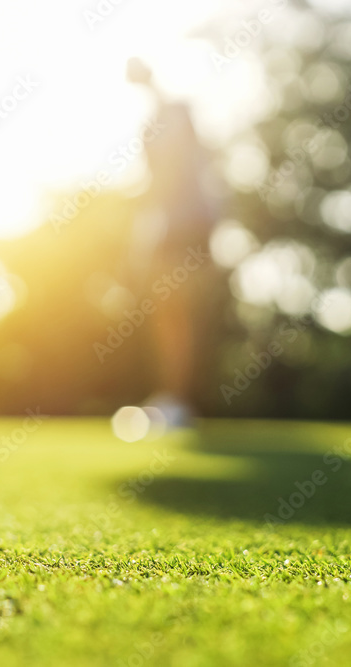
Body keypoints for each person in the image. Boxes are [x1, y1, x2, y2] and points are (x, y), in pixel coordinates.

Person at [125, 57, 225, 428]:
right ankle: (172, 399)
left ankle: (179, 403)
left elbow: (176, 121)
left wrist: (150, 82)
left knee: (178, 312)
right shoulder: (150, 129)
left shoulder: (178, 114)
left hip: (191, 225)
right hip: (168, 229)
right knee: (168, 315)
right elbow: (153, 186)